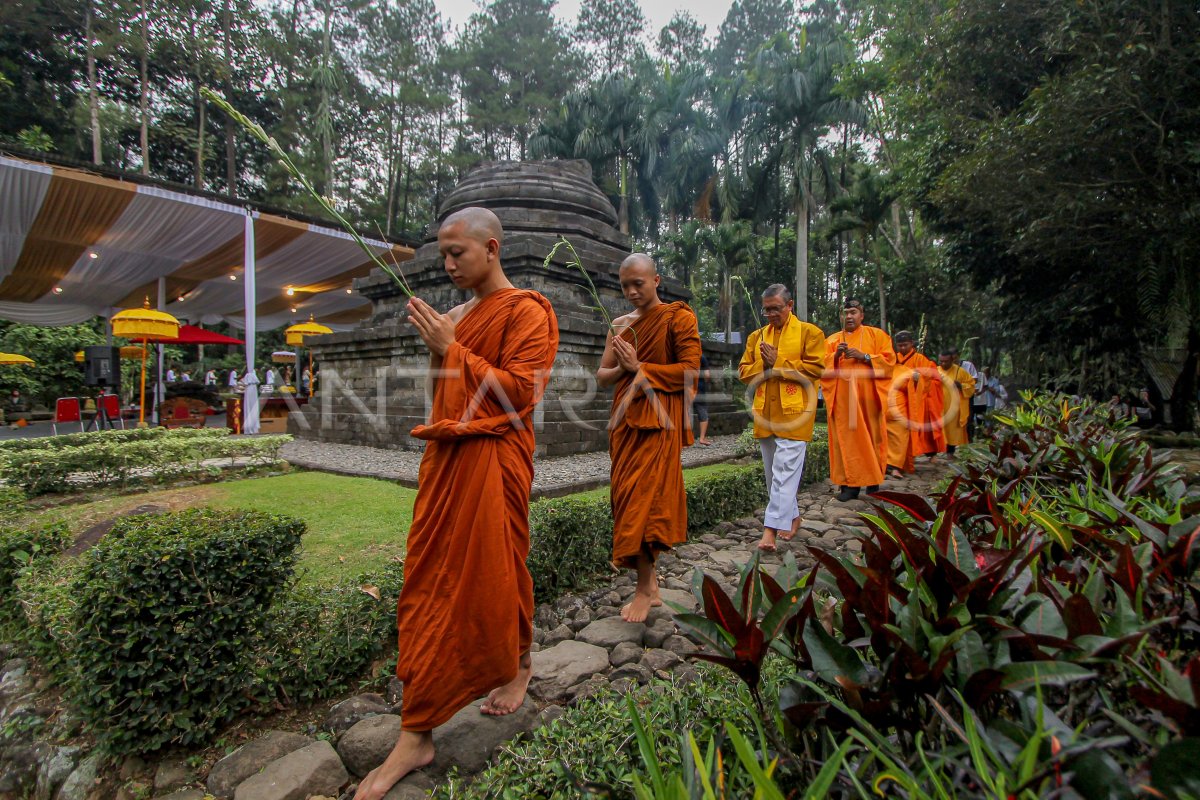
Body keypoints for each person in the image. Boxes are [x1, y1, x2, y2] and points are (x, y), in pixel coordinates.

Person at [353, 207, 558, 800]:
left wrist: (453, 347)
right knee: (428, 575)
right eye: (442, 254)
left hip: (496, 456)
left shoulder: (528, 311)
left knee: (500, 562)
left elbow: (521, 392)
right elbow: (450, 391)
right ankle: (422, 724)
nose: (445, 266)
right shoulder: (460, 314)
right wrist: (445, 345)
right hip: (448, 458)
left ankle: (506, 671)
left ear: (491, 249)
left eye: (456, 254)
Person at [598, 253, 701, 623]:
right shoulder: (620, 323)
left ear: (656, 280)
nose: (630, 291)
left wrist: (639, 366)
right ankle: (651, 585)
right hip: (625, 420)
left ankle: (643, 588)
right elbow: (602, 375)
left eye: (638, 283)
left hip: (658, 421)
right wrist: (623, 364)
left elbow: (690, 371)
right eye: (625, 285)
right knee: (627, 499)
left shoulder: (678, 317)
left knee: (646, 501)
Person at [738, 284, 825, 550]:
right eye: (767, 309)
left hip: (796, 413)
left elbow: (816, 368)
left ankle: (770, 530)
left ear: (790, 306)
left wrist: (779, 362)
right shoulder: (757, 337)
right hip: (766, 412)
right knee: (773, 474)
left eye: (776, 308)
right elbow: (743, 372)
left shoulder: (810, 333)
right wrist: (763, 364)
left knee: (784, 470)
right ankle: (794, 516)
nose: (771, 314)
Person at [822, 299, 895, 502]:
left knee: (872, 439)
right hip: (843, 403)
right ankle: (848, 486)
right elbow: (821, 367)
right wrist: (835, 357)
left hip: (869, 400)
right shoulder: (832, 340)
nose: (849, 317)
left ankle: (873, 482)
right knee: (844, 441)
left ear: (861, 315)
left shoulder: (877, 336)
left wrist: (865, 357)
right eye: (845, 313)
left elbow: (889, 363)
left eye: (853, 312)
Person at [886, 331, 946, 477]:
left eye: (905, 345)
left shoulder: (921, 359)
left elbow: (932, 380)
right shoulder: (895, 360)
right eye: (899, 345)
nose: (902, 348)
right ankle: (894, 464)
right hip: (897, 402)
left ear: (912, 343)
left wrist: (918, 382)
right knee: (897, 434)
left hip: (919, 401)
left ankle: (925, 455)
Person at [938, 350, 976, 454]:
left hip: (954, 408)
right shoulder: (935, 370)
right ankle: (938, 452)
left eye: (946, 361)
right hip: (939, 407)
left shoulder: (960, 371)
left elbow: (972, 386)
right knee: (940, 430)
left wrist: (961, 386)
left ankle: (950, 452)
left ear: (952, 360)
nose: (943, 364)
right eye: (941, 361)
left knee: (952, 432)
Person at [695, 354, 712, 445]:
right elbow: (707, 375)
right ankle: (702, 438)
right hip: (699, 389)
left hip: (685, 388)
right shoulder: (701, 357)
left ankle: (682, 440)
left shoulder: (684, 355)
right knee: (703, 413)